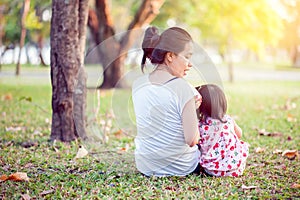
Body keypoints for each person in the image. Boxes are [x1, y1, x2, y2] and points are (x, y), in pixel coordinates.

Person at [132, 26, 201, 176]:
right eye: (187, 57)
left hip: (146, 166)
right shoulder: (183, 88)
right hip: (182, 168)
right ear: (170, 56)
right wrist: (194, 112)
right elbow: (192, 140)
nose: (190, 64)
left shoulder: (138, 84)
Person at [196, 84, 249, 177]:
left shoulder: (200, 125)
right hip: (235, 168)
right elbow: (239, 134)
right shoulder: (228, 120)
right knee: (239, 144)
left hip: (211, 169)